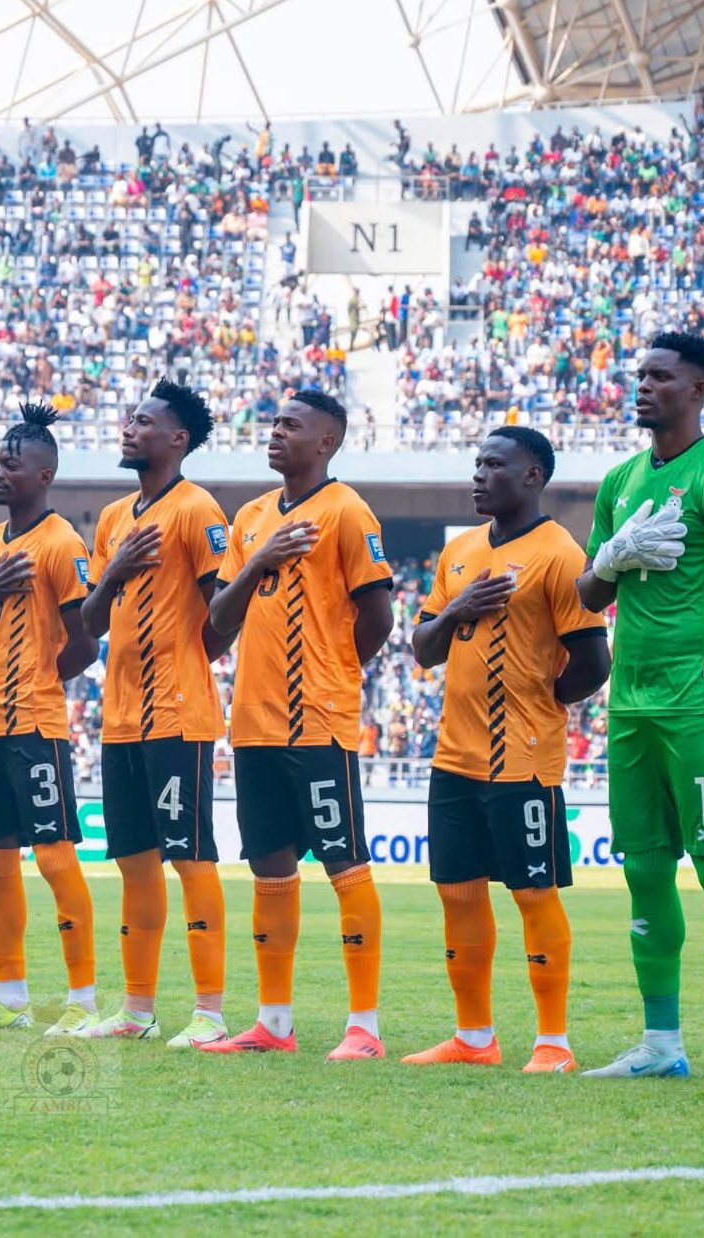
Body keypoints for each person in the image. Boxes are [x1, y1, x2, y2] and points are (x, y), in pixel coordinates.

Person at [576, 332, 704, 1086]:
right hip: (629, 704)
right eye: (639, 375)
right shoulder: (619, 479)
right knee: (643, 871)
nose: (642, 386)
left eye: (660, 377)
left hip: (697, 703)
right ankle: (660, 1043)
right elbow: (587, 595)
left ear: (696, 390)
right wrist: (608, 558)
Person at [406, 427, 609, 1072]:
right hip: (454, 758)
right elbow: (423, 646)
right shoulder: (461, 551)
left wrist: (541, 704)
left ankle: (554, 1043)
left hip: (523, 759)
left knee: (532, 892)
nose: (478, 475)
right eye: (476, 463)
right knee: (458, 893)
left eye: (493, 465)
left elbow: (593, 662)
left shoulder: (559, 555)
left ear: (531, 477)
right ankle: (473, 1039)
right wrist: (459, 608)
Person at [202, 389, 395, 1059]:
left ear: (326, 442)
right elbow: (216, 622)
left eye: (292, 425)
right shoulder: (251, 517)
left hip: (317, 721)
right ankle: (273, 1024)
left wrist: (335, 674)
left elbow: (378, 617)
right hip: (252, 724)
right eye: (274, 422)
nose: (276, 432)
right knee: (269, 869)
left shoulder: (346, 511)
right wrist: (258, 561)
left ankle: (363, 1028)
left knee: (345, 864)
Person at [79, 380, 233, 1048]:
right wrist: (112, 574)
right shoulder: (114, 517)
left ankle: (210, 1012)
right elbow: (86, 624)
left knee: (191, 859)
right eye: (128, 419)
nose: (127, 429)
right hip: (119, 718)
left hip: (177, 714)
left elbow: (221, 621)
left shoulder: (198, 509)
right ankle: (136, 1011)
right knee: (135, 865)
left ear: (177, 439)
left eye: (142, 422)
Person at [0, 402, 100, 1034]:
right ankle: (10, 999)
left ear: (44, 475)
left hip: (34, 726)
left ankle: (83, 1002)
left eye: (14, 463)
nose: (0, 471)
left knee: (55, 857)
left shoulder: (62, 543)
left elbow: (84, 643)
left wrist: (34, 681)